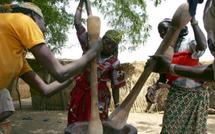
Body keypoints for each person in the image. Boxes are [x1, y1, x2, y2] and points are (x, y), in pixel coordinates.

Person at [0, 1, 101, 127]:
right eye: (44, 23)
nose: (45, 28)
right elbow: (60, 72)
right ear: (33, 16)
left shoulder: (18, 58)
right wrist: (93, 52)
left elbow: (45, 90)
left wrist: (76, 72)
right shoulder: (23, 20)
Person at [67, 0, 126, 125]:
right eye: (105, 40)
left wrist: (117, 105)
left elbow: (116, 86)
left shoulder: (115, 63)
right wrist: (81, 3)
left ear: (115, 47)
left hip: (100, 97)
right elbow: (77, 23)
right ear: (102, 38)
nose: (106, 44)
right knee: (76, 123)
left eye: (111, 44)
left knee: (96, 125)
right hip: (81, 92)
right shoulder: (90, 46)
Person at [148, 16, 208, 133]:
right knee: (170, 128)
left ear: (176, 29)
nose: (162, 34)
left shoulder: (189, 42)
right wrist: (153, 88)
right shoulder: (164, 51)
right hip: (176, 94)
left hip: (196, 95)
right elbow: (163, 77)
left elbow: (202, 46)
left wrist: (193, 22)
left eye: (166, 30)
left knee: (194, 130)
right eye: (160, 32)